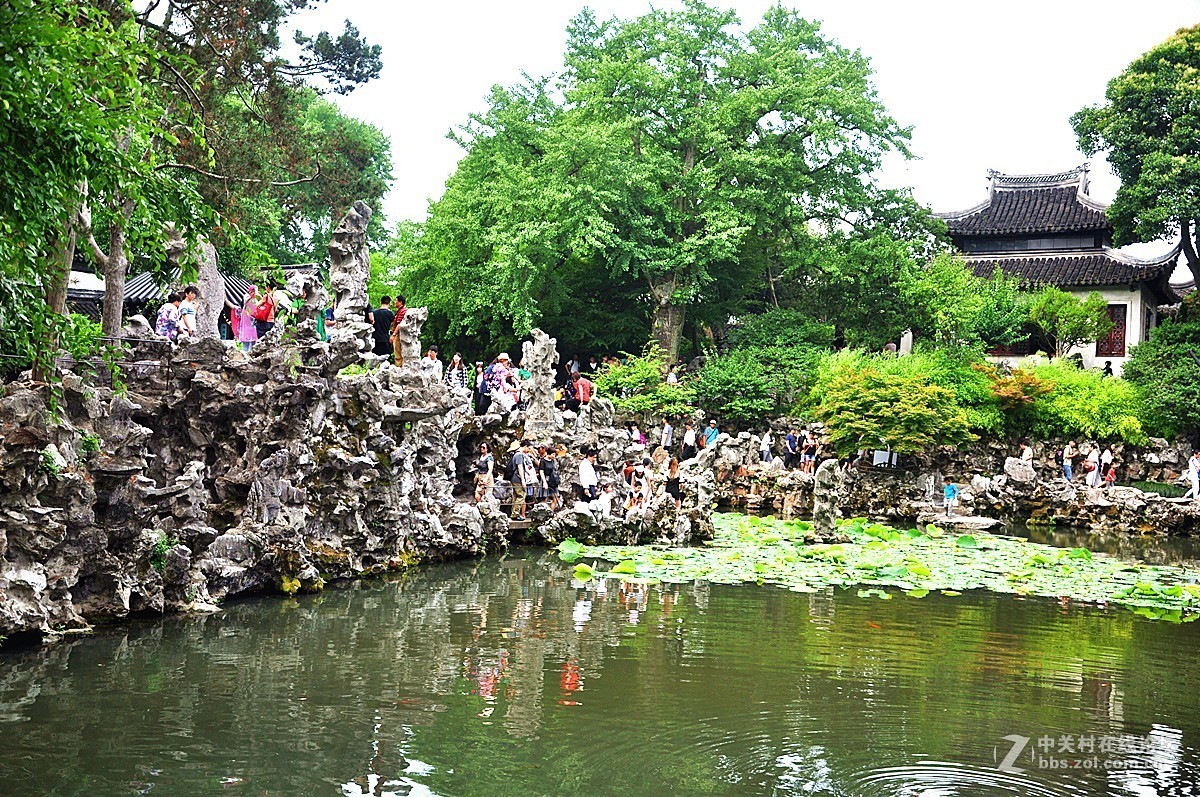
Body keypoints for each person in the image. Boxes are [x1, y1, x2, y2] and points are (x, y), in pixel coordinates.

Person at [510, 441, 538, 520]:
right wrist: (523, 480)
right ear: (525, 446)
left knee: (515, 496)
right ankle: (515, 514)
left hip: (514, 478)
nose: (529, 450)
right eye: (528, 448)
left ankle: (513, 513)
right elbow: (520, 468)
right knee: (521, 496)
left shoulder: (516, 454)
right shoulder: (519, 455)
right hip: (518, 478)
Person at [388, 296, 408, 365]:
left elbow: (399, 324)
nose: (395, 302)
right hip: (398, 334)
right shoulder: (400, 310)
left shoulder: (403, 311)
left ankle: (399, 368)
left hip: (399, 335)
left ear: (400, 302)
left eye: (396, 301)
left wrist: (393, 335)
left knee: (398, 354)